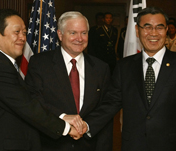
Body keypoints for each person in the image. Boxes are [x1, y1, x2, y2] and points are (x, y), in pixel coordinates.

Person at [0, 9, 82, 151]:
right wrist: (66, 128)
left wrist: (61, 117)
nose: (22, 37)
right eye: (17, 32)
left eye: (24, 33)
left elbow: (27, 101)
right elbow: (27, 107)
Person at [25, 11, 114, 151]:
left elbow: (105, 110)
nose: (79, 38)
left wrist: (88, 126)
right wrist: (63, 117)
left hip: (88, 145)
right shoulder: (40, 64)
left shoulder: (101, 68)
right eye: (73, 33)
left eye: (84, 33)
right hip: (51, 145)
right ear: (60, 35)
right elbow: (33, 99)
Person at [106, 7, 176, 151]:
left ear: (166, 30)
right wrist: (85, 124)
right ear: (137, 31)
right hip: (133, 145)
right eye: (147, 27)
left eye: (159, 27)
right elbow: (110, 104)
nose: (153, 33)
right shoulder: (124, 66)